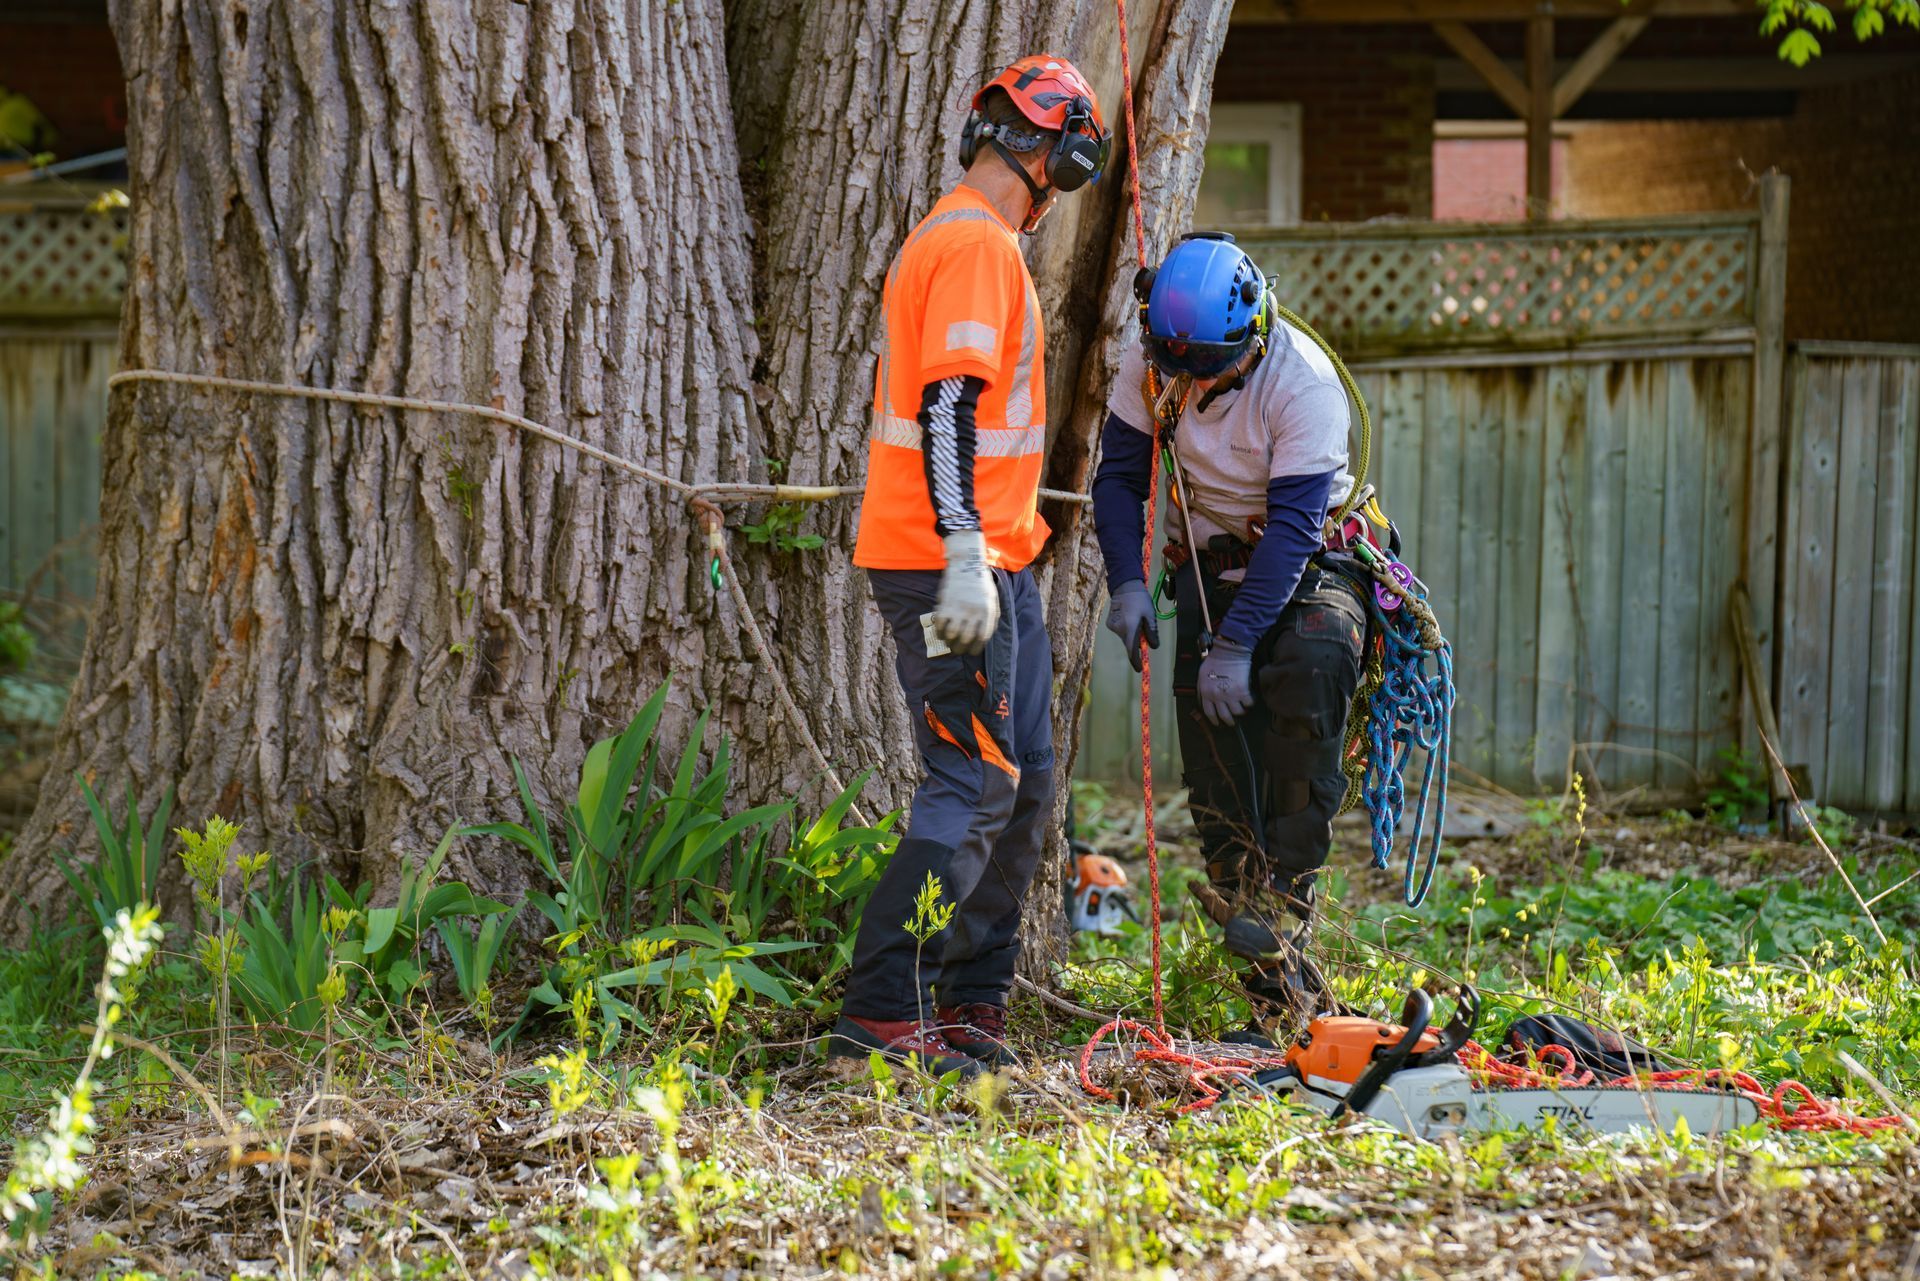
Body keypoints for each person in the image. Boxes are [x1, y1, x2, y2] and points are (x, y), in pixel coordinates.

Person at [829, 56, 1111, 1078]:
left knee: (1026, 779)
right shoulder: (974, 249)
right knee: (975, 780)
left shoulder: (978, 242)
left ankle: (971, 1000)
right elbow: (948, 410)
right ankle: (883, 1008)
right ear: (1056, 154)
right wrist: (961, 556)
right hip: (948, 562)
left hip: (997, 562)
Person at [1090, 231, 1369, 1028]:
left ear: (1250, 332)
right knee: (1216, 762)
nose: (1191, 382)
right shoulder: (1155, 361)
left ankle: (1287, 891)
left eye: (1207, 367)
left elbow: (1291, 528)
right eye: (1179, 366)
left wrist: (1241, 642)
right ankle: (1268, 986)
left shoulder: (1302, 382)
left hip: (1309, 555)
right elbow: (1118, 475)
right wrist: (1128, 582)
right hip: (1208, 557)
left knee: (1309, 668)